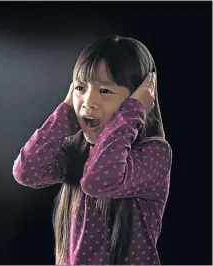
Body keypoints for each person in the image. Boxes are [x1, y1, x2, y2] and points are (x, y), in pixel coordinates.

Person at [12, 36, 172, 265]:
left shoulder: (155, 153)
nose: (88, 102)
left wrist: (132, 112)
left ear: (141, 99)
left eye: (105, 91)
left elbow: (98, 181)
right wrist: (66, 112)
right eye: (80, 88)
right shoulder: (77, 151)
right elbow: (26, 172)